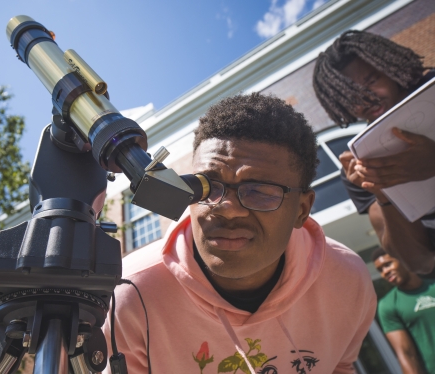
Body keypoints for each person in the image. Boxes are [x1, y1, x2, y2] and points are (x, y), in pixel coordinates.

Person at [104, 93, 376, 373]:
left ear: (301, 210)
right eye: (207, 186)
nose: (227, 209)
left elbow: (341, 366)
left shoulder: (347, 279)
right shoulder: (131, 295)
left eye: (259, 191)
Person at [312, 30, 435, 274]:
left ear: (389, 67)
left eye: (371, 81)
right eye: (352, 96)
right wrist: (382, 192)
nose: (367, 98)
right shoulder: (360, 166)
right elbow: (419, 262)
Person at [373, 247, 435, 373]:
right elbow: (406, 354)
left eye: (388, 264)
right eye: (380, 270)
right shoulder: (388, 305)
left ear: (403, 260)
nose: (385, 272)